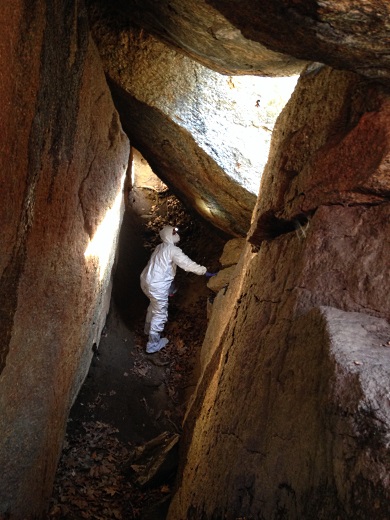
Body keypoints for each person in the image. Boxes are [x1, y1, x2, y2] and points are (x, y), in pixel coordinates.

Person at [140, 225, 216, 354]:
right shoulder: (172, 250)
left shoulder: (160, 247)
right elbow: (187, 264)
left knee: (153, 307)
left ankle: (147, 330)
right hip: (157, 286)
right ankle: (152, 345)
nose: (177, 234)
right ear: (169, 235)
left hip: (146, 282)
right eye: (174, 232)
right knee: (160, 313)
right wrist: (204, 271)